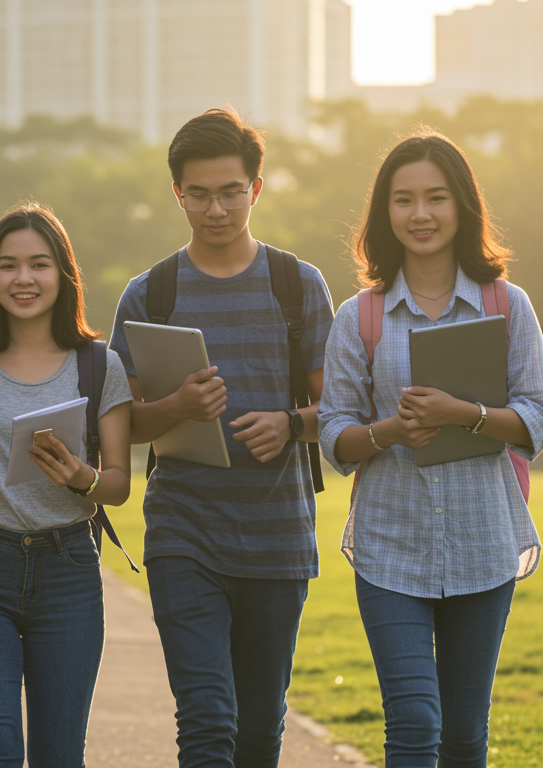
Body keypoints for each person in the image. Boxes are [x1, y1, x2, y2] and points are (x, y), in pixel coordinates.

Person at [108, 107, 334, 767]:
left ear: (255, 189)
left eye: (231, 191)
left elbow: (342, 408)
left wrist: (291, 424)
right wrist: (176, 406)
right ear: (177, 192)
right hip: (184, 532)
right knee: (208, 722)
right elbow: (122, 421)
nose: (216, 209)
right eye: (200, 194)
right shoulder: (151, 293)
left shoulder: (299, 286)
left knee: (260, 730)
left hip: (277, 536)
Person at [318, 132, 541, 766]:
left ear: (462, 206)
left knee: (466, 735)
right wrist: (388, 432)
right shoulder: (359, 317)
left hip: (483, 544)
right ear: (384, 213)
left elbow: (537, 417)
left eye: (437, 198)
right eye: (404, 200)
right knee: (415, 722)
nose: (421, 214)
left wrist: (465, 415)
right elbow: (335, 431)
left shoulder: (507, 305)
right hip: (390, 549)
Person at [0, 204, 133, 766]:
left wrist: (82, 477)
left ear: (63, 275)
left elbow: (119, 484)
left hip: (69, 573)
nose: (24, 279)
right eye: (8, 266)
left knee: (60, 756)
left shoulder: (99, 364)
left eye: (39, 264)